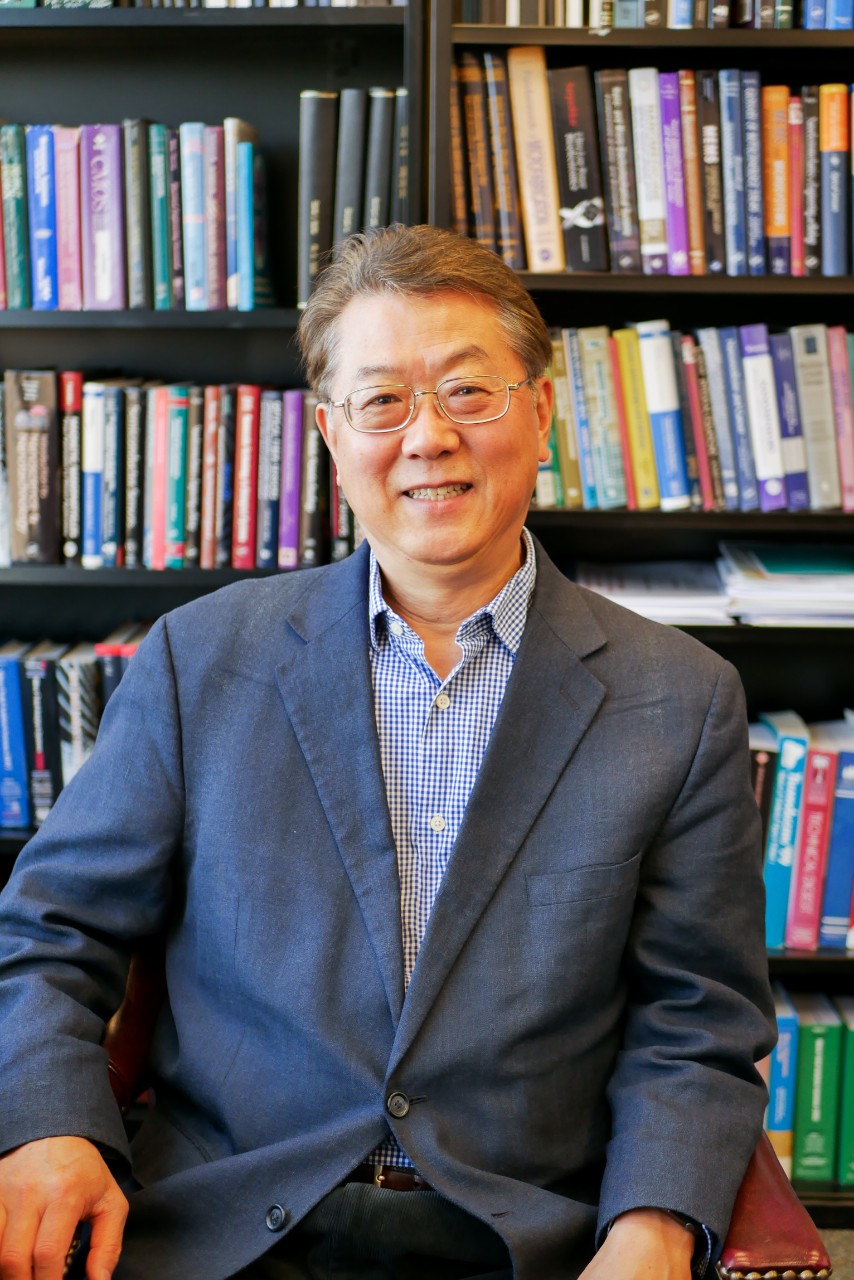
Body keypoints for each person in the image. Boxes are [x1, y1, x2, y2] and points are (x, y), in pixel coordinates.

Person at [0, 224, 775, 1280]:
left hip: (516, 1240)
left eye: (468, 391)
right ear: (331, 434)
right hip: (224, 1231)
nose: (429, 436)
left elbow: (698, 1017)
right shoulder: (201, 659)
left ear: (541, 412)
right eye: (382, 401)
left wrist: (652, 1225)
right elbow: (50, 928)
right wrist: (48, 1126)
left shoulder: (677, 698)